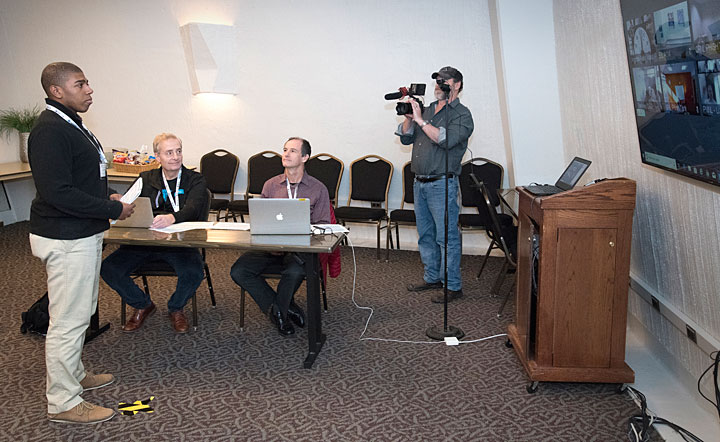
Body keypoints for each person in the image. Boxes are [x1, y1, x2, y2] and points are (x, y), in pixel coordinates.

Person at [28, 62, 135, 424]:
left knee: (81, 310)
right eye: (80, 83)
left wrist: (108, 194)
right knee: (68, 321)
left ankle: (73, 375)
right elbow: (57, 192)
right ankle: (62, 402)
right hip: (65, 236)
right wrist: (112, 208)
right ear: (56, 91)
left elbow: (81, 177)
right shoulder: (49, 130)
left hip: (82, 233)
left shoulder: (71, 122)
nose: (89, 89)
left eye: (88, 82)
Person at [100, 133, 208, 334]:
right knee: (108, 268)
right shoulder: (145, 179)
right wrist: (118, 202)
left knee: (193, 273)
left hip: (180, 244)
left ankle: (176, 308)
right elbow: (128, 204)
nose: (175, 157)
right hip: (144, 241)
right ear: (157, 157)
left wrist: (171, 218)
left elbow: (193, 208)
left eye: (178, 151)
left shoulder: (196, 180)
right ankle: (142, 304)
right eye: (169, 153)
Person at [230, 137, 331, 336]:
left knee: (294, 272)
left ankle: (279, 313)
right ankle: (281, 308)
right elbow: (259, 219)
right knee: (239, 271)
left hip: (299, 249)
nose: (286, 154)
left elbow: (322, 226)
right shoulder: (271, 185)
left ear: (305, 157)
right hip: (269, 247)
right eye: (285, 150)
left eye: (293, 151)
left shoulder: (318, 188)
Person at [395, 66, 474, 303]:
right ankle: (432, 278)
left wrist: (420, 120)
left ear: (457, 84)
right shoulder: (427, 109)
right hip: (419, 183)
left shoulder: (462, 114)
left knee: (446, 237)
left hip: (443, 184)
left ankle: (453, 285)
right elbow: (406, 136)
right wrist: (410, 119)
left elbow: (445, 139)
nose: (438, 84)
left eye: (444, 80)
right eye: (437, 81)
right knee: (426, 234)